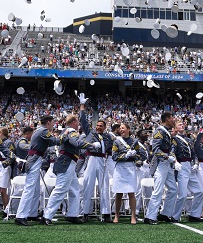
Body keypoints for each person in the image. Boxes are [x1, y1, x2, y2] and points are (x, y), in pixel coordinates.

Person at [41, 114, 100, 225]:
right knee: (61, 189)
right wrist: (92, 145)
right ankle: (47, 216)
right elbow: (76, 143)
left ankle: (73, 214)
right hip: (67, 162)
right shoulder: (71, 131)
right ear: (73, 122)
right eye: (77, 121)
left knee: (74, 190)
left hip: (68, 162)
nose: (79, 124)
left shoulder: (66, 130)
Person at [14, 115, 61, 226]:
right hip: (35, 159)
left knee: (35, 189)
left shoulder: (39, 130)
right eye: (53, 123)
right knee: (30, 188)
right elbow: (56, 141)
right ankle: (21, 216)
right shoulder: (44, 131)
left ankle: (31, 213)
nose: (53, 125)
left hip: (36, 158)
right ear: (48, 122)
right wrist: (66, 136)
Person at [79, 93, 113, 223]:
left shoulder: (108, 137)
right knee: (88, 185)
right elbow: (82, 120)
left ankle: (106, 214)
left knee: (104, 187)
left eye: (100, 126)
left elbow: (110, 150)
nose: (98, 127)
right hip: (91, 158)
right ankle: (85, 213)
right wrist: (82, 106)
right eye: (97, 126)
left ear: (104, 128)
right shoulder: (90, 132)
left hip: (103, 160)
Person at [144, 111, 177, 225]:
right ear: (167, 119)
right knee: (158, 190)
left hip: (168, 163)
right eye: (172, 117)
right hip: (161, 163)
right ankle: (150, 216)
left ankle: (165, 213)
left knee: (173, 189)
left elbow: (169, 148)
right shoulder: (159, 131)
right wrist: (168, 157)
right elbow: (156, 150)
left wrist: (172, 157)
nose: (174, 120)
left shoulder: (167, 132)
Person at [112, 123, 146, 224]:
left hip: (130, 168)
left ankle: (133, 216)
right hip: (120, 168)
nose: (121, 130)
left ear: (128, 129)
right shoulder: (116, 141)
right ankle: (116, 215)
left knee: (131, 193)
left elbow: (140, 156)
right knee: (118, 193)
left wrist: (136, 158)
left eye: (123, 128)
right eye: (120, 128)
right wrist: (125, 155)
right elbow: (114, 156)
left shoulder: (134, 142)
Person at [171, 121, 203, 223]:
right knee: (183, 194)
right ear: (175, 128)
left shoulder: (189, 140)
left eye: (182, 124)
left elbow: (194, 154)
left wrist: (196, 164)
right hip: (181, 166)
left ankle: (194, 214)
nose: (182, 125)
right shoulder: (174, 139)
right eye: (179, 124)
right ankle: (175, 216)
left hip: (190, 166)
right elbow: (172, 152)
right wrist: (175, 162)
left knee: (199, 192)